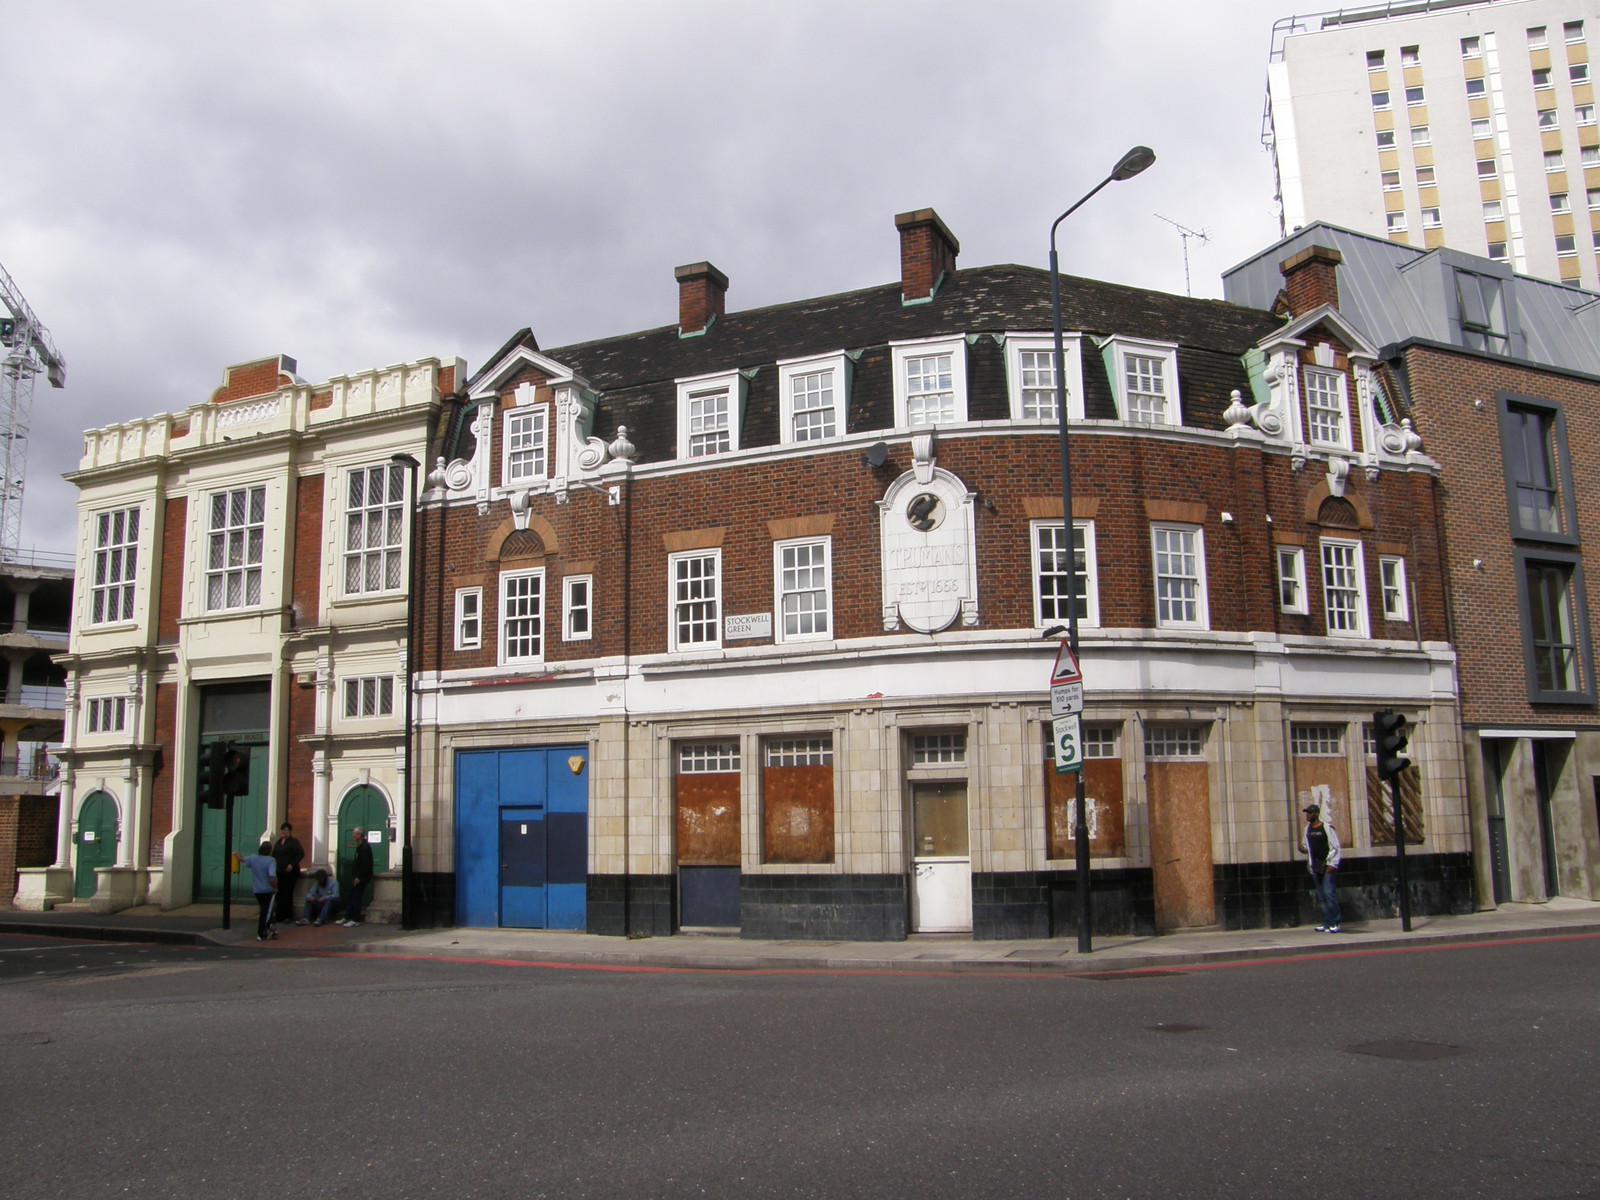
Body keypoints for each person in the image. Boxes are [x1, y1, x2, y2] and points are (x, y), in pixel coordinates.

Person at [1300, 803, 1342, 933]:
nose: (1307, 815)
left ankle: (1335, 922)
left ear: (1316, 814)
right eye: (1307, 813)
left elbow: (1335, 847)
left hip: (1327, 866)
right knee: (1322, 896)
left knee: (1329, 894)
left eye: (1310, 813)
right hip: (1315, 866)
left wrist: (1332, 864)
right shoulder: (1307, 829)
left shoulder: (1327, 828)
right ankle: (1327, 922)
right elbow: (1306, 846)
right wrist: (1303, 849)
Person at [241, 840, 278, 941]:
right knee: (266, 912)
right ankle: (262, 933)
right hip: (267, 890)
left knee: (266, 909)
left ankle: (272, 927)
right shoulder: (271, 861)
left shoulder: (253, 858)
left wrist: (236, 855)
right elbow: (272, 876)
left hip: (257, 890)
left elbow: (243, 860)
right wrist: (275, 887)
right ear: (270, 851)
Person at [338, 827, 373, 927]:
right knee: (352, 896)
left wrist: (358, 877)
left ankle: (356, 919)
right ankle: (347, 916)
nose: (352, 835)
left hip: (361, 877)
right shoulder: (361, 846)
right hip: (358, 876)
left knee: (356, 897)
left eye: (354, 834)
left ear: (359, 835)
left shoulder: (364, 847)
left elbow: (364, 864)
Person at [271, 822, 305, 926]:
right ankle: (279, 915)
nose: (283, 832)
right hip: (280, 871)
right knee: (280, 893)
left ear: (289, 831)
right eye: (282, 830)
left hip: (290, 872)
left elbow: (301, 853)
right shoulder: (278, 842)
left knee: (287, 893)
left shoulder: (294, 842)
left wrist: (292, 864)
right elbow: (274, 855)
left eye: (285, 830)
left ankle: (287, 916)